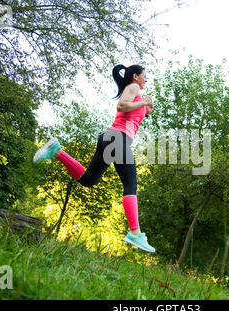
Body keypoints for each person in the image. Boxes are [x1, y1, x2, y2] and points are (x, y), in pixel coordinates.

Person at [33, 64, 155, 253]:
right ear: (136, 77)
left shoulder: (136, 92)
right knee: (131, 185)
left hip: (110, 138)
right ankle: (135, 233)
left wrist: (146, 107)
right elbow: (121, 105)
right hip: (117, 138)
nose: (146, 80)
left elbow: (133, 112)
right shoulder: (133, 88)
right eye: (144, 76)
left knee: (88, 179)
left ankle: (57, 151)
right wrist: (143, 102)